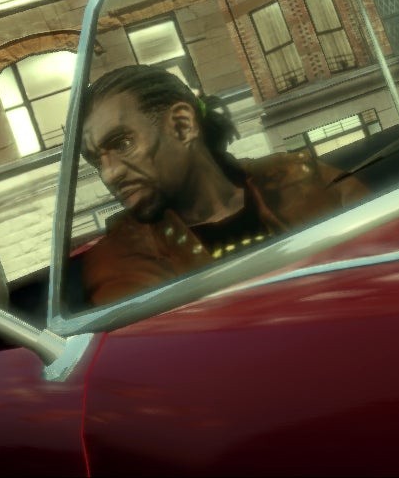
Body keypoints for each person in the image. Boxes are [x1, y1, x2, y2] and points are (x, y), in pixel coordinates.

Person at [77, 64, 366, 307]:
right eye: (97, 161)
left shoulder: (302, 178)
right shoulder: (122, 259)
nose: (109, 175)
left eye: (123, 144)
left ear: (182, 126)